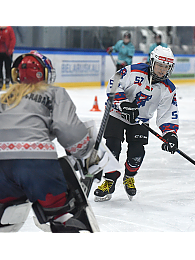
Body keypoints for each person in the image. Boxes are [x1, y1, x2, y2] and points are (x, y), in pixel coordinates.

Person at [0, 51, 114, 232]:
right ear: (44, 73)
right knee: (66, 216)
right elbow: (67, 128)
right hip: (36, 166)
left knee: (6, 219)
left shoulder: (5, 98)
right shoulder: (53, 93)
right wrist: (86, 153)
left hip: (1, 169)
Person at [94, 45, 179, 202]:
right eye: (160, 65)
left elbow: (167, 113)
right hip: (117, 114)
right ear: (152, 62)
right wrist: (123, 102)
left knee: (136, 154)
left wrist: (170, 134)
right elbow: (114, 82)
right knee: (113, 147)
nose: (162, 70)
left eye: (166, 67)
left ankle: (129, 176)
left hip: (140, 120)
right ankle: (109, 181)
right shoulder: (133, 71)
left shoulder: (168, 88)